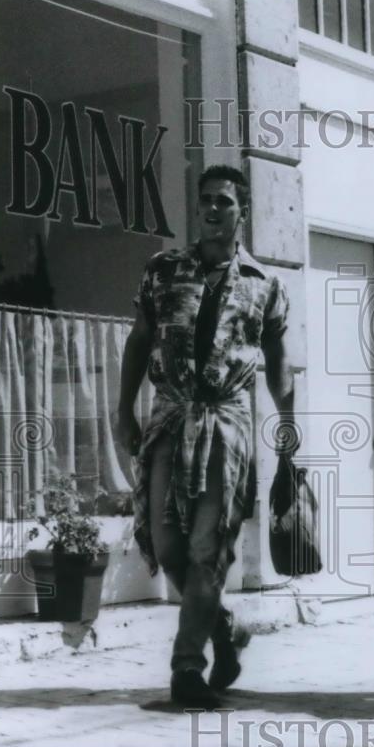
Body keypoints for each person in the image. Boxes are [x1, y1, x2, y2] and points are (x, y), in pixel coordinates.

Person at [117, 165, 296, 709]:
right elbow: (139, 339)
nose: (213, 210)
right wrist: (122, 410)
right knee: (167, 543)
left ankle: (186, 668)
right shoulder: (163, 269)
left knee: (206, 546)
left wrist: (288, 424)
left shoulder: (265, 284)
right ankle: (224, 626)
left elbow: (279, 361)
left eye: (223, 202)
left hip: (228, 421)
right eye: (205, 202)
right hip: (169, 416)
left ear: (243, 210)